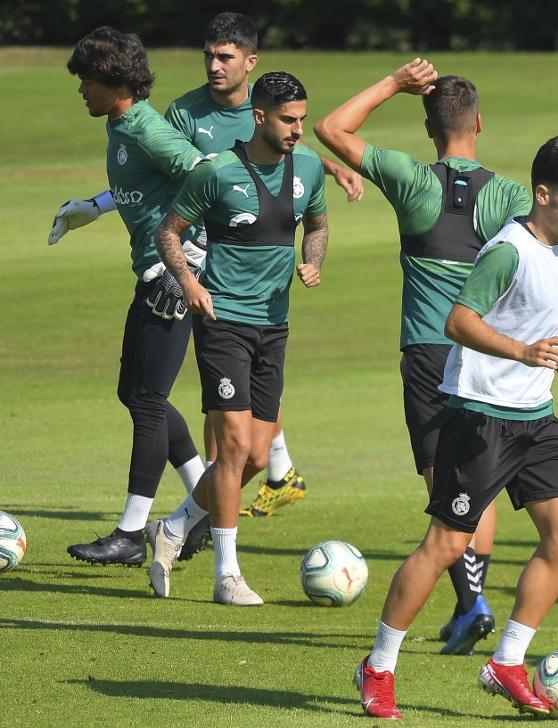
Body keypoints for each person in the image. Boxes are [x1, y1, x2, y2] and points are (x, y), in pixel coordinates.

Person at [354, 136, 558, 720]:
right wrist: (522, 353)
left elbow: (538, 317)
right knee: (446, 546)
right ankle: (380, 665)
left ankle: (508, 663)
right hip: (480, 416)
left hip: (536, 417)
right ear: (542, 194)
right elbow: (459, 320)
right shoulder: (507, 250)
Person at [315, 59, 532, 655]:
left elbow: (331, 128)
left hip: (430, 354)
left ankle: (473, 605)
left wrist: (392, 83)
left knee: (445, 489)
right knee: (476, 486)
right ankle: (472, 605)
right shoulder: (510, 194)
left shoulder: (412, 179)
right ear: (479, 124)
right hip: (487, 354)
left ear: (430, 129)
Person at [163, 12, 364, 529]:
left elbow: (288, 166)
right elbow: (179, 196)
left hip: (272, 311)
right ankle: (222, 550)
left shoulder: (289, 141)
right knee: (228, 438)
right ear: (259, 115)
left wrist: (313, 256)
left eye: (225, 56)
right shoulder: (186, 116)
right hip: (215, 285)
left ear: (250, 63)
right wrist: (184, 274)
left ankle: (186, 519)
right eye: (208, 54)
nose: (213, 65)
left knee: (245, 450)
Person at [144, 71, 329, 605]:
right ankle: (226, 574)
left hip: (275, 326)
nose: (298, 129)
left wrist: (311, 260)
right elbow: (168, 232)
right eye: (288, 120)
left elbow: (316, 224)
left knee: (253, 458)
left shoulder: (310, 167)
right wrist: (190, 284)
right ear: (259, 117)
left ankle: (173, 528)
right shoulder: (219, 172)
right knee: (231, 452)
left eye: (302, 119)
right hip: (223, 320)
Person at [57, 27, 207, 567]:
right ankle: (205, 500)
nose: (81, 92)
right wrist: (93, 207)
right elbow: (141, 189)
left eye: (87, 82)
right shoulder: (122, 125)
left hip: (171, 277)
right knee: (136, 393)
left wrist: (191, 259)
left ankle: (130, 534)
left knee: (146, 401)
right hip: (151, 274)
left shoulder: (145, 128)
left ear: (114, 83)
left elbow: (206, 177)